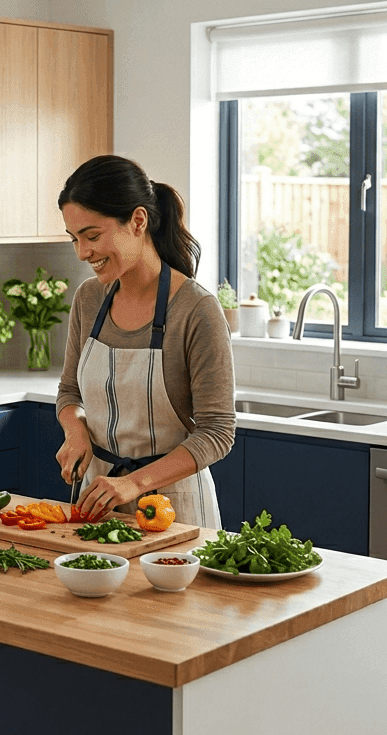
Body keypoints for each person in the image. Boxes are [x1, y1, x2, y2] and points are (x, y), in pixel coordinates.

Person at [54, 155, 235, 528]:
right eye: (74, 239)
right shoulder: (89, 299)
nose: (82, 252)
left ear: (138, 221)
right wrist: (75, 431)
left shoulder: (196, 309)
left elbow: (218, 432)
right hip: (97, 503)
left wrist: (134, 483)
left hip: (175, 510)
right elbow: (70, 391)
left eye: (92, 235)